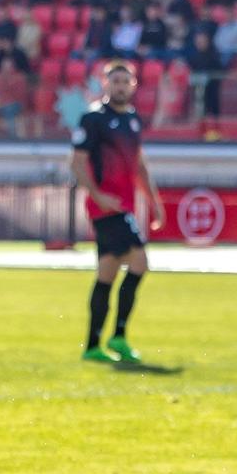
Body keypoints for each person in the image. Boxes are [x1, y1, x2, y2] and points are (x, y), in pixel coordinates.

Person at [70, 61, 161, 363]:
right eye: (115, 81)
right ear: (105, 84)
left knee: (107, 272)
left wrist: (154, 200)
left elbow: (139, 164)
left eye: (126, 81)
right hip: (106, 208)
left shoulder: (134, 120)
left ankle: (93, 345)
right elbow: (78, 163)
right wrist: (98, 196)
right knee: (139, 261)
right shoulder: (93, 118)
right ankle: (119, 336)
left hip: (124, 206)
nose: (120, 86)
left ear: (133, 85)